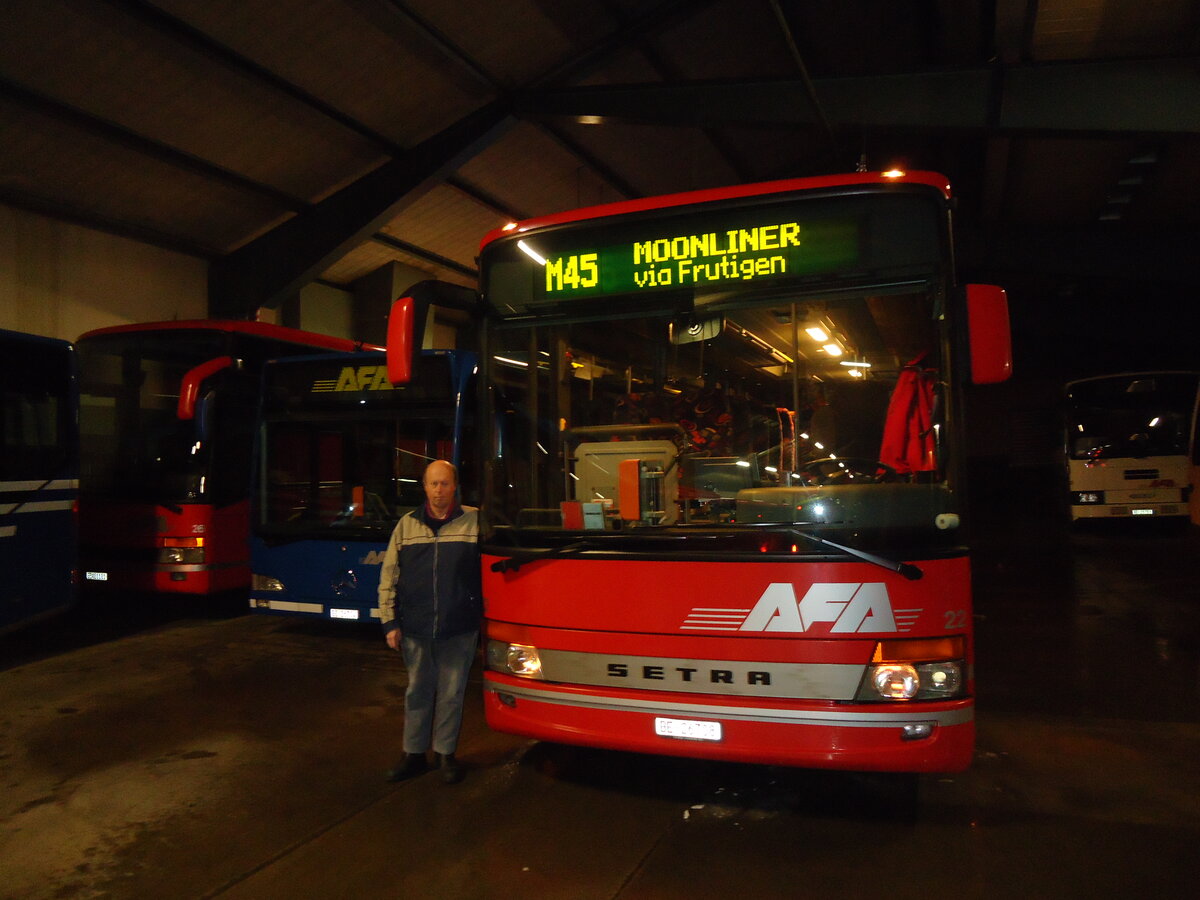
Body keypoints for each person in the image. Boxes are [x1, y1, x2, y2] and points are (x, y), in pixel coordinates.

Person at [377, 459, 481, 785]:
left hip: (459, 627)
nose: (439, 491)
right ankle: (414, 755)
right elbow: (389, 576)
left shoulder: (475, 522)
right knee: (417, 693)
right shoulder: (406, 526)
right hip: (416, 627)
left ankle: (445, 755)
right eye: (433, 484)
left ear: (455, 486)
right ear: (424, 487)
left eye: (445, 484)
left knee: (452, 693)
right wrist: (389, 622)